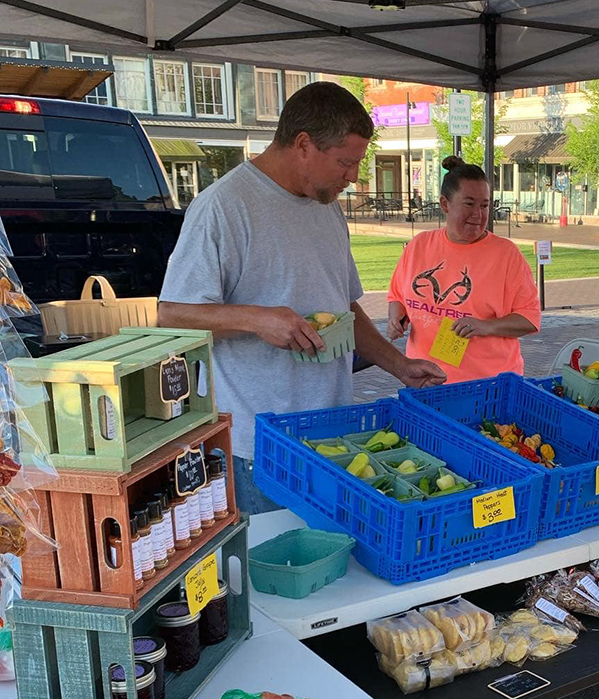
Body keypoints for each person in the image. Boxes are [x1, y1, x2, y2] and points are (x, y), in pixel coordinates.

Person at [158, 82, 446, 515]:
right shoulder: (223, 207)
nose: (352, 177)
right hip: (258, 448)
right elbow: (172, 315)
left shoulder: (325, 205)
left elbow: (344, 308)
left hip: (332, 435)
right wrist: (259, 320)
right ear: (304, 145)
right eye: (346, 162)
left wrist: (399, 365)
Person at [386, 156, 540, 383]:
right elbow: (397, 295)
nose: (478, 215)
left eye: (485, 205)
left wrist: (485, 326)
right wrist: (396, 318)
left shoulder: (506, 254)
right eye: (469, 204)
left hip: (487, 386)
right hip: (424, 380)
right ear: (445, 204)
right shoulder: (418, 245)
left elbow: (529, 319)